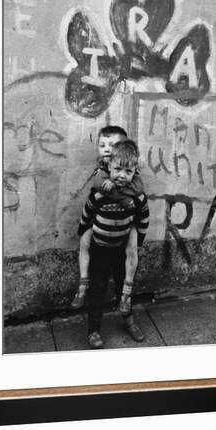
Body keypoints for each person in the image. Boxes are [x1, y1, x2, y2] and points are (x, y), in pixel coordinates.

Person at [77, 140, 150, 348]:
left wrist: (140, 239)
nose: (121, 175)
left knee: (124, 289)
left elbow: (143, 219)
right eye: (117, 169)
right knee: (97, 290)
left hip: (121, 250)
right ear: (109, 166)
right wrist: (83, 229)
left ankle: (129, 321)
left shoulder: (138, 197)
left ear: (135, 171)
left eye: (127, 171)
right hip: (99, 249)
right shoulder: (100, 193)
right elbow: (88, 211)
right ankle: (93, 330)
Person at [71, 126, 144, 315]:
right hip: (102, 229)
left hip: (125, 228)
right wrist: (121, 198)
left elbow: (138, 190)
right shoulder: (102, 172)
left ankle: (128, 313)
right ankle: (83, 286)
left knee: (128, 261)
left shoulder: (128, 171)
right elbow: (96, 191)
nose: (105, 149)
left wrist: (123, 196)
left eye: (111, 146)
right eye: (101, 145)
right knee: (97, 278)